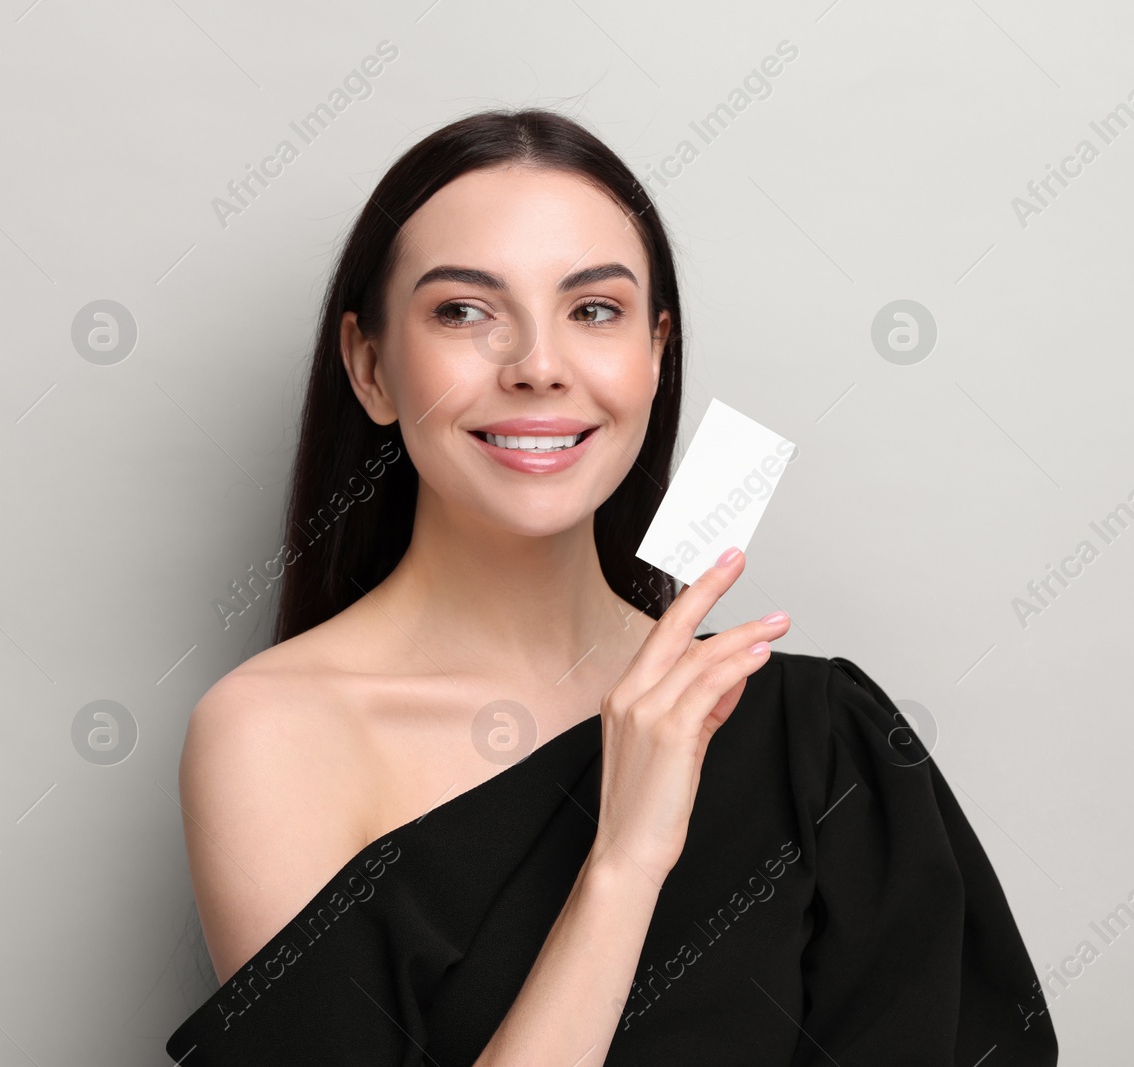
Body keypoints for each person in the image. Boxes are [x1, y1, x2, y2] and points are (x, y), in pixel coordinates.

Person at [165, 108, 1057, 1066]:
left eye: (594, 311)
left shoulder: (816, 739)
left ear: (656, 351)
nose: (540, 368)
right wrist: (623, 863)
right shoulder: (273, 734)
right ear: (371, 367)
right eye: (463, 311)